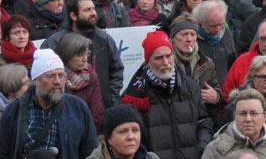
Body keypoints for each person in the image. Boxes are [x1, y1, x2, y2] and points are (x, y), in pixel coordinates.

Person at [0, 48, 97, 159]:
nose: (57, 82)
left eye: (61, 75)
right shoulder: (15, 109)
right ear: (35, 80)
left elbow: (90, 151)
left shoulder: (77, 107)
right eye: (50, 76)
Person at [121, 30, 213, 159]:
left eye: (168, 56)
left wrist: (201, 149)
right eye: (159, 58)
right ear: (147, 61)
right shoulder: (133, 95)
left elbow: (203, 122)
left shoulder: (191, 87)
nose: (166, 62)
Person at [41, 0, 125, 109]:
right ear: (73, 16)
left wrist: (112, 99)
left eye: (93, 9)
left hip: (102, 108)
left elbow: (116, 71)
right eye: (87, 10)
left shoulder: (104, 38)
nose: (93, 13)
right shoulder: (54, 42)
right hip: (66, 108)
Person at [202, 88, 266, 159]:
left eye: (254, 113)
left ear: (265, 116)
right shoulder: (216, 149)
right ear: (234, 116)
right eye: (243, 113)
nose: (248, 119)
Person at [168, 14, 222, 118]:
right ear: (173, 38)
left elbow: (216, 88)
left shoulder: (206, 63)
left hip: (199, 121)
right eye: (184, 34)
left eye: (192, 34)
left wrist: (216, 97)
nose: (189, 39)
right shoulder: (162, 61)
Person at [54, 32, 105, 130]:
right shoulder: (55, 78)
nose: (85, 59)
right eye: (79, 55)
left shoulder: (91, 76)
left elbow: (97, 114)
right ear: (66, 56)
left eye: (87, 53)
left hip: (86, 132)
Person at [0, 14, 36, 95]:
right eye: (16, 33)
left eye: (24, 32)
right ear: (7, 37)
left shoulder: (36, 58)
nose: (21, 36)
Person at [87, 104, 161, 159]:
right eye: (123, 131)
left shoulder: (151, 158)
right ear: (109, 139)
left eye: (135, 130)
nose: (131, 137)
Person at [193, 0, 236, 85]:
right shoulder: (192, 38)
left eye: (221, 24)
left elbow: (233, 63)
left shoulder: (226, 34)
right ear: (201, 22)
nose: (218, 29)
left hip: (225, 91)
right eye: (212, 26)